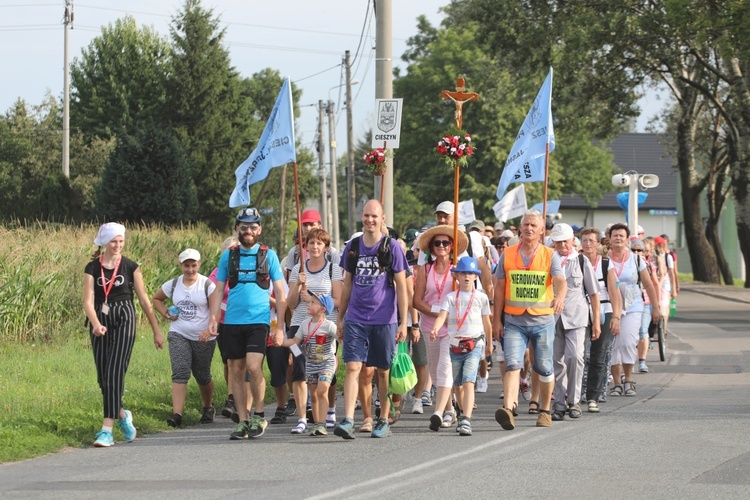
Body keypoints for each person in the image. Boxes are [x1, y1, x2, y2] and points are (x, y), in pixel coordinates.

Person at [208, 207, 287, 440]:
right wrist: (213, 319)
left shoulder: (268, 255)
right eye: (244, 226)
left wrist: (280, 327)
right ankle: (243, 421)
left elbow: (281, 293)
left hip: (258, 321)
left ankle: (259, 414)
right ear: (237, 228)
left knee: (254, 367)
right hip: (231, 321)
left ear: (259, 229)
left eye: (253, 226)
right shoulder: (228, 256)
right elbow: (219, 288)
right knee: (236, 370)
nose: (248, 230)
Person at [333, 199, 409, 439]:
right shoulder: (353, 247)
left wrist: (404, 321)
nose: (369, 220)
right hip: (356, 317)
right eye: (366, 216)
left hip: (384, 319)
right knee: (353, 366)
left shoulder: (392, 247)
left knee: (383, 371)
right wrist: (340, 318)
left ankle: (383, 419)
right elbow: (347, 285)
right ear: (361, 217)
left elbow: (401, 286)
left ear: (382, 218)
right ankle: (347, 420)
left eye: (374, 216)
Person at [83, 222, 163, 447]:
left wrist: (157, 331)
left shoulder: (130, 266)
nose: (117, 245)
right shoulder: (91, 268)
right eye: (113, 241)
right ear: (104, 243)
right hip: (100, 318)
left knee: (115, 371)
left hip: (124, 317)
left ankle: (106, 430)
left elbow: (146, 301)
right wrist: (96, 324)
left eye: (121, 241)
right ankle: (121, 415)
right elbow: (88, 301)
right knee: (103, 377)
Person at [493, 210, 567, 430]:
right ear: (519, 227)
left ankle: (545, 410)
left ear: (542, 230)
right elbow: (498, 288)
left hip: (542, 321)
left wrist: (560, 296)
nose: (529, 228)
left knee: (543, 367)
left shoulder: (549, 254)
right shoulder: (508, 253)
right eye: (525, 224)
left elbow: (560, 281)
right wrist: (497, 320)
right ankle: (508, 408)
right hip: (514, 321)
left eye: (534, 225)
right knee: (512, 364)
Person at [283, 228, 343, 433]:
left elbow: (339, 300)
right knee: (300, 369)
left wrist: (316, 300)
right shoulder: (299, 269)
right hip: (300, 327)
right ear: (305, 246)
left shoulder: (332, 269)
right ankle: (302, 417)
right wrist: (296, 286)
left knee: (326, 370)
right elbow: (290, 303)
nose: (315, 247)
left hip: (324, 330)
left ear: (326, 248)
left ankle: (330, 409)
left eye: (319, 243)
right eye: (311, 243)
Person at [152, 249, 217, 427]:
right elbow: (156, 298)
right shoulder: (173, 284)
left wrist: (209, 330)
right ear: (181, 265)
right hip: (178, 332)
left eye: (193, 265)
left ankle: (208, 407)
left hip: (203, 336)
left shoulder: (207, 285)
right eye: (186, 265)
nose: (190, 269)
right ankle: (177, 415)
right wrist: (165, 313)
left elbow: (216, 310)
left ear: (199, 264)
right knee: (180, 371)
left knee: (202, 375)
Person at [414, 224, 469, 430]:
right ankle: (450, 409)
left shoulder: (457, 270)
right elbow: (417, 301)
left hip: (453, 328)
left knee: (445, 368)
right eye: (437, 243)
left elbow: (467, 293)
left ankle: (441, 412)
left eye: (445, 242)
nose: (441, 246)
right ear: (431, 247)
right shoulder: (425, 269)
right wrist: (438, 313)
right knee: (436, 373)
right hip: (430, 326)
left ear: (452, 245)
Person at [429, 256, 492, 436]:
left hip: (474, 344)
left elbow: (486, 322)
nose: (467, 276)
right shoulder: (450, 297)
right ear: (456, 276)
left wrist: (489, 343)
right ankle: (459, 412)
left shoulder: (481, 297)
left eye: (471, 273)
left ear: (475, 277)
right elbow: (442, 315)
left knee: (468, 381)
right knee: (457, 384)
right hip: (454, 344)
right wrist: (435, 328)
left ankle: (466, 419)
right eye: (463, 272)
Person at [549, 224, 601, 421]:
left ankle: (575, 400)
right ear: (553, 240)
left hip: (577, 317)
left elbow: (594, 294)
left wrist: (596, 321)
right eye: (558, 240)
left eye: (566, 240)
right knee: (556, 361)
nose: (562, 244)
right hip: (552, 318)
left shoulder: (581, 260)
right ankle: (560, 404)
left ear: (572, 240)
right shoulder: (548, 259)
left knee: (575, 357)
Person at [607, 223, 660, 397]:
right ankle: (616, 383)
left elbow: (648, 284)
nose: (618, 238)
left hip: (632, 305)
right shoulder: (604, 259)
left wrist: (655, 307)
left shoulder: (636, 259)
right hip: (610, 305)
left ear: (627, 239)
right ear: (609, 238)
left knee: (628, 343)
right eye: (615, 235)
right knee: (613, 345)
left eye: (622, 235)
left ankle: (628, 379)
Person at [278, 292, 337, 436]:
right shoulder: (305, 324)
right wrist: (280, 342)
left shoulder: (329, 326)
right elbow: (294, 342)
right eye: (309, 302)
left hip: (327, 363)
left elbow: (342, 338)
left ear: (323, 309)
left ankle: (322, 424)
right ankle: (317, 424)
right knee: (314, 394)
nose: (308, 304)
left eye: (312, 303)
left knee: (322, 390)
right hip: (311, 365)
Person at [579, 228, 621, 412]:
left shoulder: (605, 263)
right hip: (581, 309)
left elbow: (614, 292)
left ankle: (593, 396)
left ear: (598, 244)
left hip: (604, 309)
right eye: (585, 240)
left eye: (591, 241)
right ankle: (573, 392)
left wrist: (617, 317)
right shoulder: (575, 261)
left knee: (599, 354)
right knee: (577, 354)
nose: (588, 244)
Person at [208, 236, 243, 419]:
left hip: (242, 319)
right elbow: (212, 291)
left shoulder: (246, 270)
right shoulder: (217, 272)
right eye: (230, 251)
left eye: (236, 250)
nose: (233, 254)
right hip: (223, 321)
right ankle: (233, 394)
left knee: (234, 360)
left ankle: (233, 398)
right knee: (227, 361)